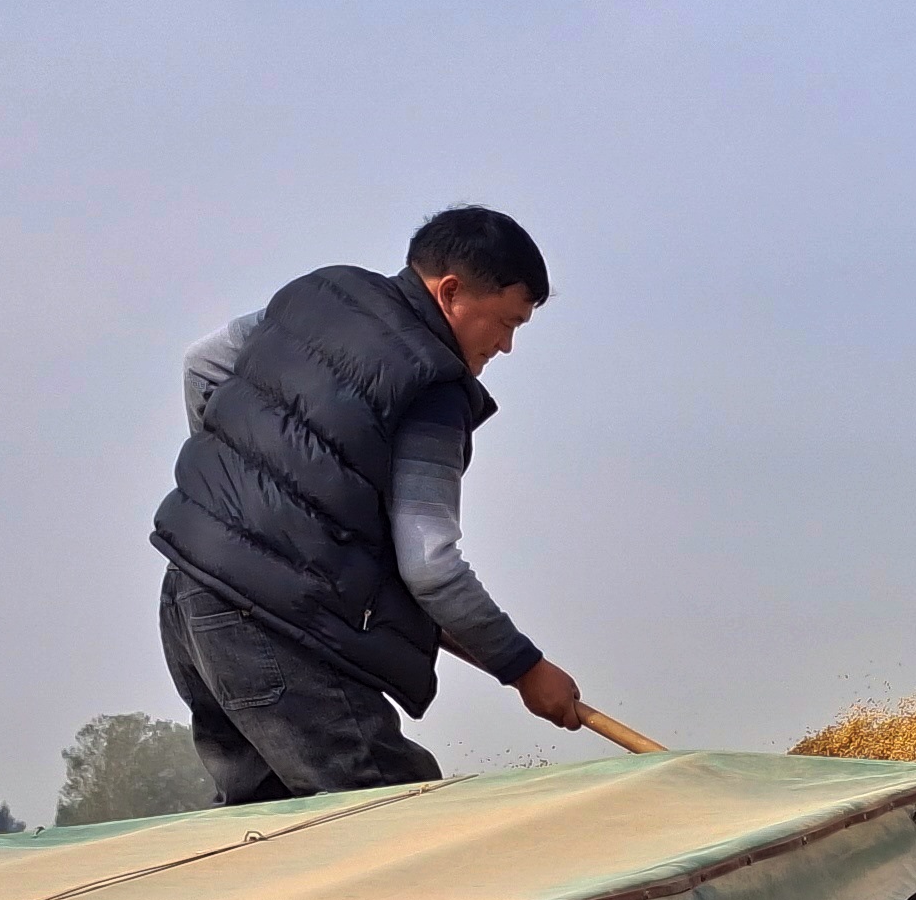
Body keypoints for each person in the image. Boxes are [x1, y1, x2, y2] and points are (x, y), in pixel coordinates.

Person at [152, 205, 596, 804]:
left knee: (266, 826)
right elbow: (431, 568)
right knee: (396, 818)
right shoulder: (434, 388)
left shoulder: (317, 294)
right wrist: (525, 668)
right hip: (277, 623)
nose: (507, 346)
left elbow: (202, 363)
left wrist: (232, 501)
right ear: (452, 292)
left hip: (189, 595)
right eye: (505, 322)